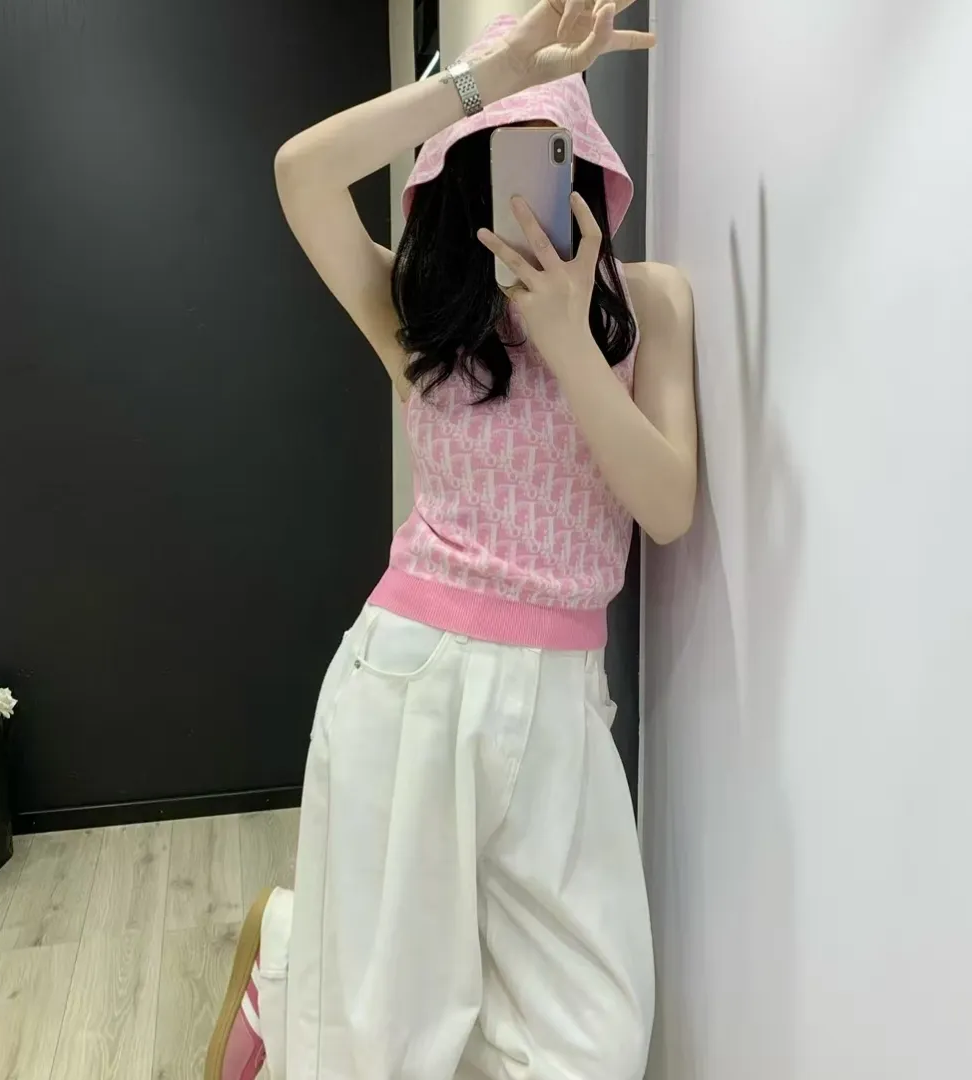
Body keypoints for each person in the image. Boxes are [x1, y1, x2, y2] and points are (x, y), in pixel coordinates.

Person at [206, 2, 696, 1078]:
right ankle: (292, 966)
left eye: (551, 152)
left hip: (562, 700)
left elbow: (667, 508)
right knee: (384, 1045)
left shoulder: (653, 302)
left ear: (589, 168)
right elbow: (301, 173)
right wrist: (488, 77)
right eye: (498, 158)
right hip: (413, 681)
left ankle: (293, 948)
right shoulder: (416, 315)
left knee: (592, 1043)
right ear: (457, 176)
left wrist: (569, 338)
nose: (528, 186)